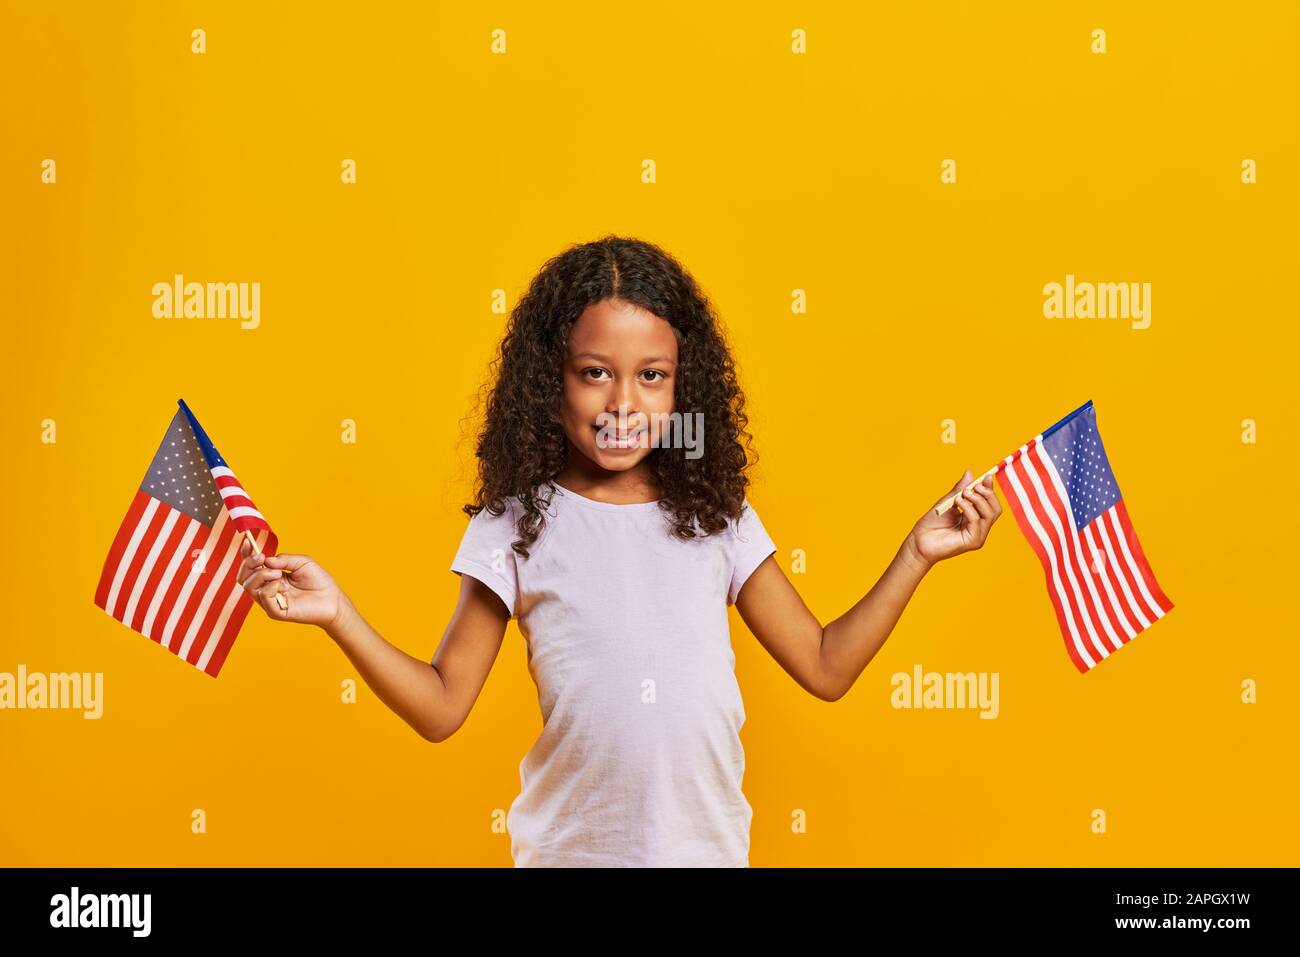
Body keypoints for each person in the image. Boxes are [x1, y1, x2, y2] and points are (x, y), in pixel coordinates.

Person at [236, 235, 1003, 867]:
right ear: (550, 381)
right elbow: (441, 707)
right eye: (595, 374)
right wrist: (338, 614)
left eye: (652, 377)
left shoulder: (717, 517)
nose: (624, 405)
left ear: (683, 389)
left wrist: (917, 553)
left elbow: (828, 665)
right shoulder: (516, 523)